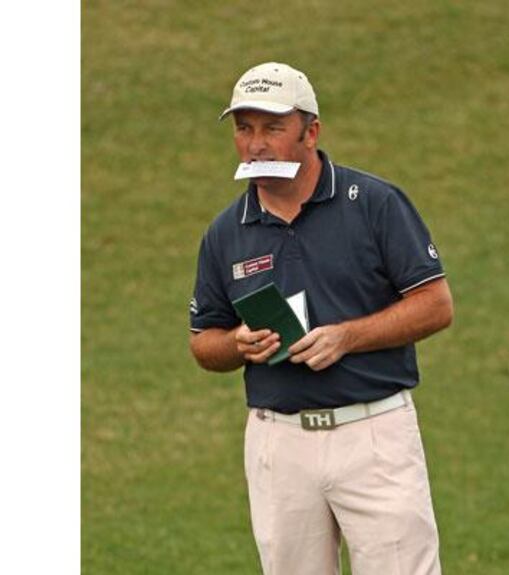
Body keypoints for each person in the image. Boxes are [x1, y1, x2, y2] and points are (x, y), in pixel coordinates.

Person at [188, 62, 453, 575]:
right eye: (244, 128)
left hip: (374, 431)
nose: (255, 144)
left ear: (311, 132)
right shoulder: (225, 233)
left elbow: (435, 304)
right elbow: (203, 342)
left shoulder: (374, 203)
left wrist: (347, 337)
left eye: (272, 127)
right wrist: (238, 342)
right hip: (278, 441)